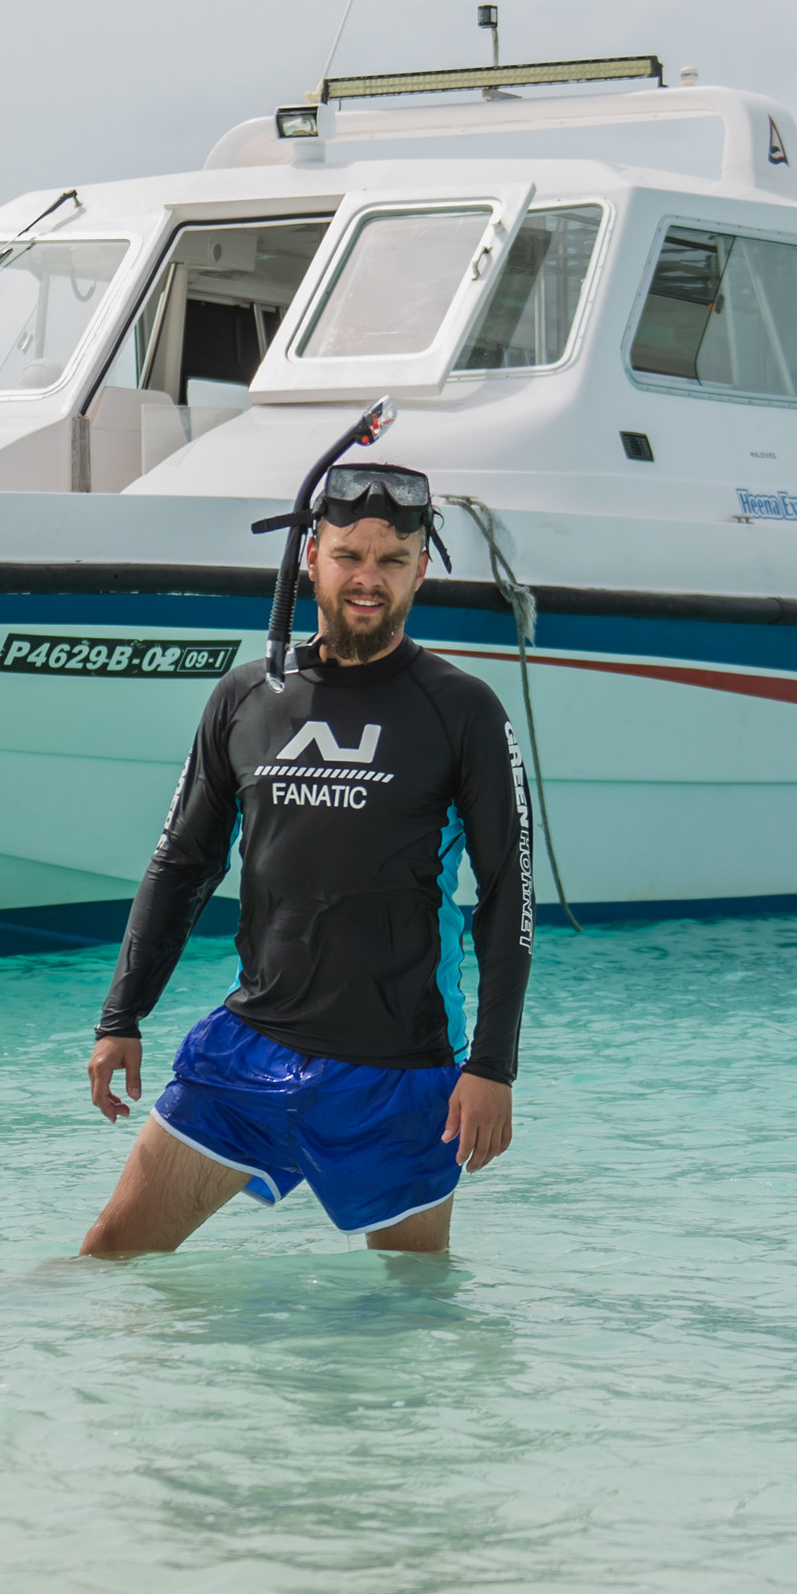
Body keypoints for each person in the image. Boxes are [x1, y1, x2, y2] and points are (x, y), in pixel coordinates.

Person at [79, 460, 533, 1257]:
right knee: (112, 1255)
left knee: (416, 1311)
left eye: (392, 561)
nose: (368, 579)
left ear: (421, 571)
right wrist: (122, 1016)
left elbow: (507, 896)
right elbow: (182, 863)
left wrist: (493, 1067)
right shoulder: (247, 696)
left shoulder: (461, 709)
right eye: (348, 555)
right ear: (309, 559)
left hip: (400, 1073)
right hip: (247, 1053)